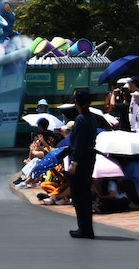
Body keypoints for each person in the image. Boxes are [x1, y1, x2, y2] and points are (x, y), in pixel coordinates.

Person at [67, 89, 98, 239]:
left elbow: (78, 143)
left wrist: (74, 162)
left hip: (81, 160)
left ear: (77, 102)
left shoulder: (80, 119)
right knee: (85, 194)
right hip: (90, 158)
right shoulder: (92, 118)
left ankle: (83, 228)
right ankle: (87, 227)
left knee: (79, 196)